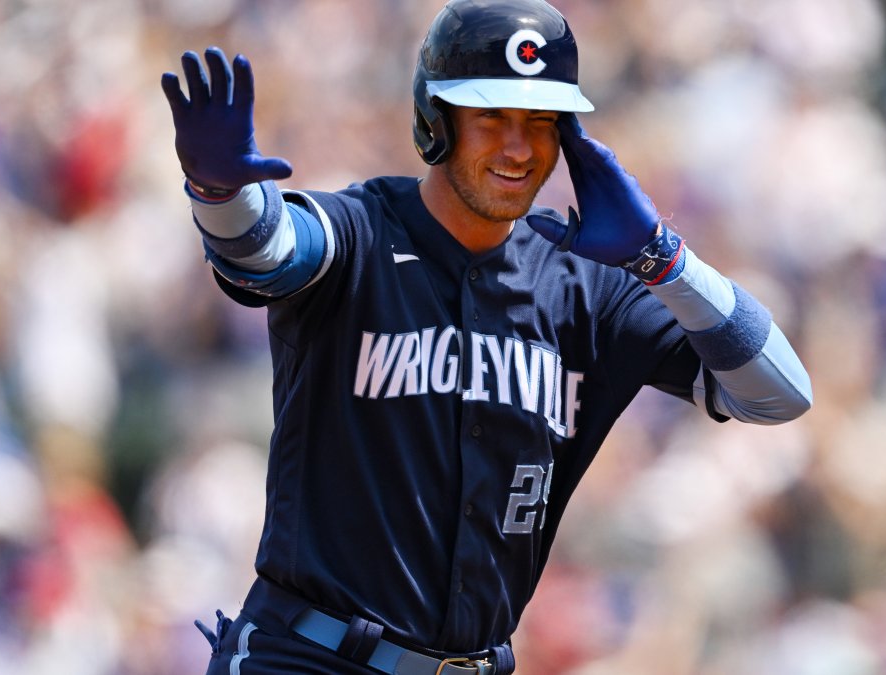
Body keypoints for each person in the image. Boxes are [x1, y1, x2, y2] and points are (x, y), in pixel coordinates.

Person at [160, 0, 812, 672]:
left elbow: (779, 393)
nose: (518, 146)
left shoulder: (590, 287)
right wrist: (219, 191)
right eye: (491, 117)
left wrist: (664, 258)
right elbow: (267, 248)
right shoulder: (360, 231)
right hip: (308, 656)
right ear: (434, 120)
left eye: (540, 122)